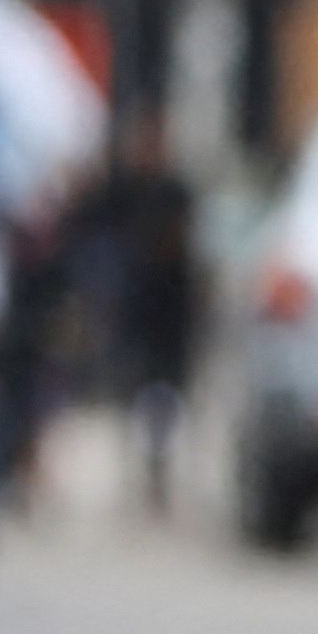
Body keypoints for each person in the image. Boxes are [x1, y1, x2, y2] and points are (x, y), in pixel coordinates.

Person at [68, 110, 204, 515]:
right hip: (133, 313)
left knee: (163, 402)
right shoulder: (122, 191)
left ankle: (157, 476)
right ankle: (142, 476)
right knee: (133, 398)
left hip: (168, 317)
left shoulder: (175, 192)